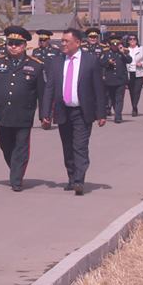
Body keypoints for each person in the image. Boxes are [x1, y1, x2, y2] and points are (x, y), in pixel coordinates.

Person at [41, 28, 107, 196]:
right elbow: (49, 88)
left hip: (82, 111)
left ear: (77, 43)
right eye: (62, 41)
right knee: (68, 147)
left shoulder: (90, 61)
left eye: (66, 41)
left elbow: (99, 89)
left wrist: (101, 113)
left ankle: (79, 180)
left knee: (80, 146)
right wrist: (45, 113)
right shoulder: (56, 61)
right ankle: (72, 177)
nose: (62, 44)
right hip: (63, 110)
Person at [0, 26, 45, 192]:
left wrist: (44, 115)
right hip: (3, 113)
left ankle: (16, 179)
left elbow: (42, 93)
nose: (13, 47)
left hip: (24, 113)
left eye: (17, 44)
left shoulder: (36, 65)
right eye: (10, 43)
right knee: (5, 145)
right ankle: (16, 169)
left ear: (24, 46)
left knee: (21, 147)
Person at [103, 34, 131, 123]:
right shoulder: (106, 53)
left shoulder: (123, 52)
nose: (115, 46)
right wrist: (108, 62)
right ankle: (117, 112)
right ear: (111, 45)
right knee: (113, 98)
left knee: (119, 98)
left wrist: (123, 52)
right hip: (110, 80)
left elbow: (129, 60)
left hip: (121, 80)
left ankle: (118, 116)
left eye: (117, 44)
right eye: (113, 45)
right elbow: (100, 62)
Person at [125, 35, 143, 116]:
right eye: (130, 39)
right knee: (131, 91)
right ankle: (134, 105)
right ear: (128, 41)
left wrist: (142, 63)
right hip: (130, 72)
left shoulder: (141, 49)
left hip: (139, 72)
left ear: (137, 40)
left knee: (137, 91)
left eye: (134, 39)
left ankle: (134, 107)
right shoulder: (126, 49)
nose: (132, 40)